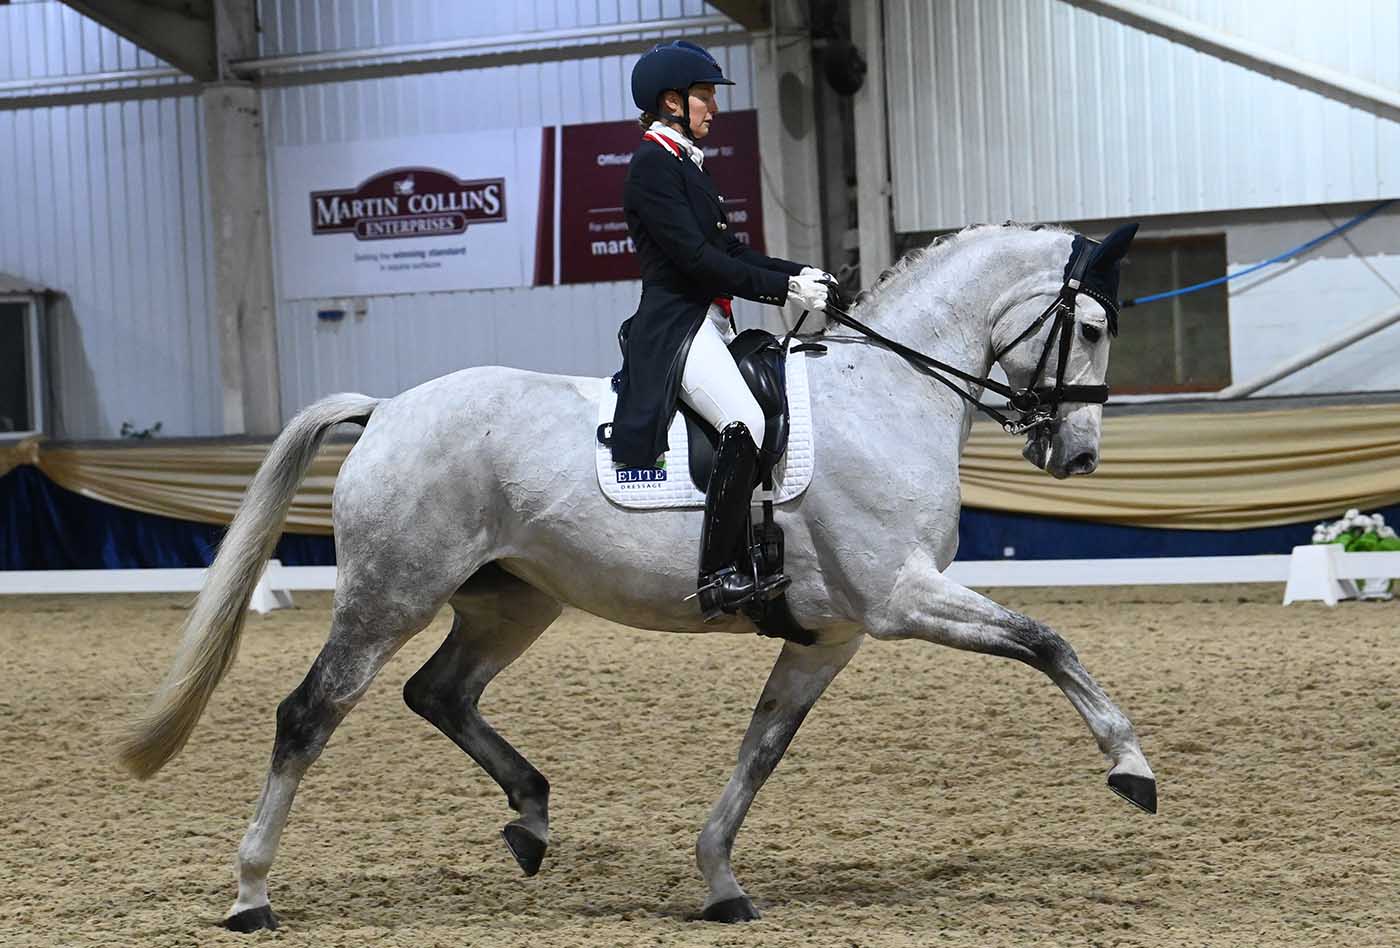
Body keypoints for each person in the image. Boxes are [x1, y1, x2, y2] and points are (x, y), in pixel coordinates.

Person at [609, 39, 835, 621]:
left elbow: (729, 250)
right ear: (672, 102)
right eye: (705, 96)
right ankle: (717, 575)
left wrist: (798, 272)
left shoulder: (687, 164)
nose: (714, 107)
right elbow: (696, 260)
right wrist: (783, 291)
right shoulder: (652, 166)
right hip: (677, 325)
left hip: (711, 320)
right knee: (746, 421)